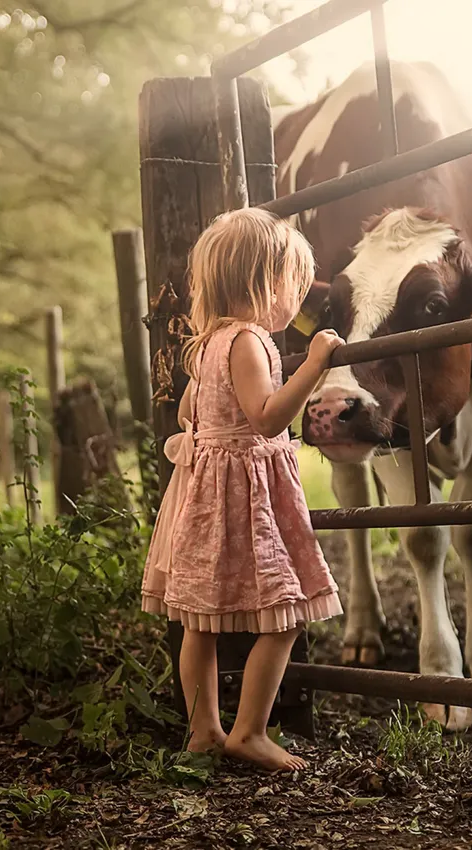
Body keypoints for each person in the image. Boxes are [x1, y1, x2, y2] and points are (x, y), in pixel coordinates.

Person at [142, 207, 344, 772]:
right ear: (265, 282)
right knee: (286, 611)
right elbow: (267, 417)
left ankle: (204, 731)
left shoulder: (205, 344)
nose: (294, 301)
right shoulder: (250, 341)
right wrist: (315, 363)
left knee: (199, 620)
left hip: (207, 498)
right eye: (291, 286)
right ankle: (249, 731)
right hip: (244, 499)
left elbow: (190, 410)